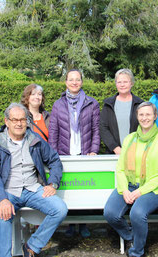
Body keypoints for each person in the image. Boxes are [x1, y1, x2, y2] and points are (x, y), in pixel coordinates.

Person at [0, 103, 68, 257]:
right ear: (6, 121)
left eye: (22, 119)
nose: (19, 123)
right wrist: (1, 199)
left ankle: (32, 246)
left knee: (60, 209)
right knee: (1, 213)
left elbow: (54, 160)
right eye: (14, 120)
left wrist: (53, 183)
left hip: (32, 189)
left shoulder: (34, 139)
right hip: (8, 192)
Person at [104, 102, 158, 257]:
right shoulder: (129, 139)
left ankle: (137, 251)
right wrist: (124, 190)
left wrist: (140, 191)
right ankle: (133, 237)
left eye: (148, 114)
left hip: (155, 189)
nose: (145, 118)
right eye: (141, 115)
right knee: (110, 213)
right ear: (137, 117)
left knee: (137, 213)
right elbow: (120, 168)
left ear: (155, 116)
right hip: (129, 185)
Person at [49, 69, 100, 237]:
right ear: (66, 82)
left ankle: (83, 224)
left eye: (77, 79)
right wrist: (54, 154)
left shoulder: (92, 103)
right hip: (64, 153)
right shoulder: (58, 105)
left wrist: (93, 150)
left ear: (82, 82)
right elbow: (54, 131)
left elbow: (96, 130)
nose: (74, 82)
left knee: (84, 189)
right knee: (68, 190)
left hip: (84, 152)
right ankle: (71, 224)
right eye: (71, 79)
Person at [100, 68, 144, 154]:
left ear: (131, 83)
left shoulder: (140, 104)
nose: (122, 85)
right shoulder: (108, 104)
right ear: (116, 84)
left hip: (136, 153)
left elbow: (144, 127)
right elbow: (103, 128)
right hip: (113, 153)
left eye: (125, 82)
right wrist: (115, 148)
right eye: (119, 82)